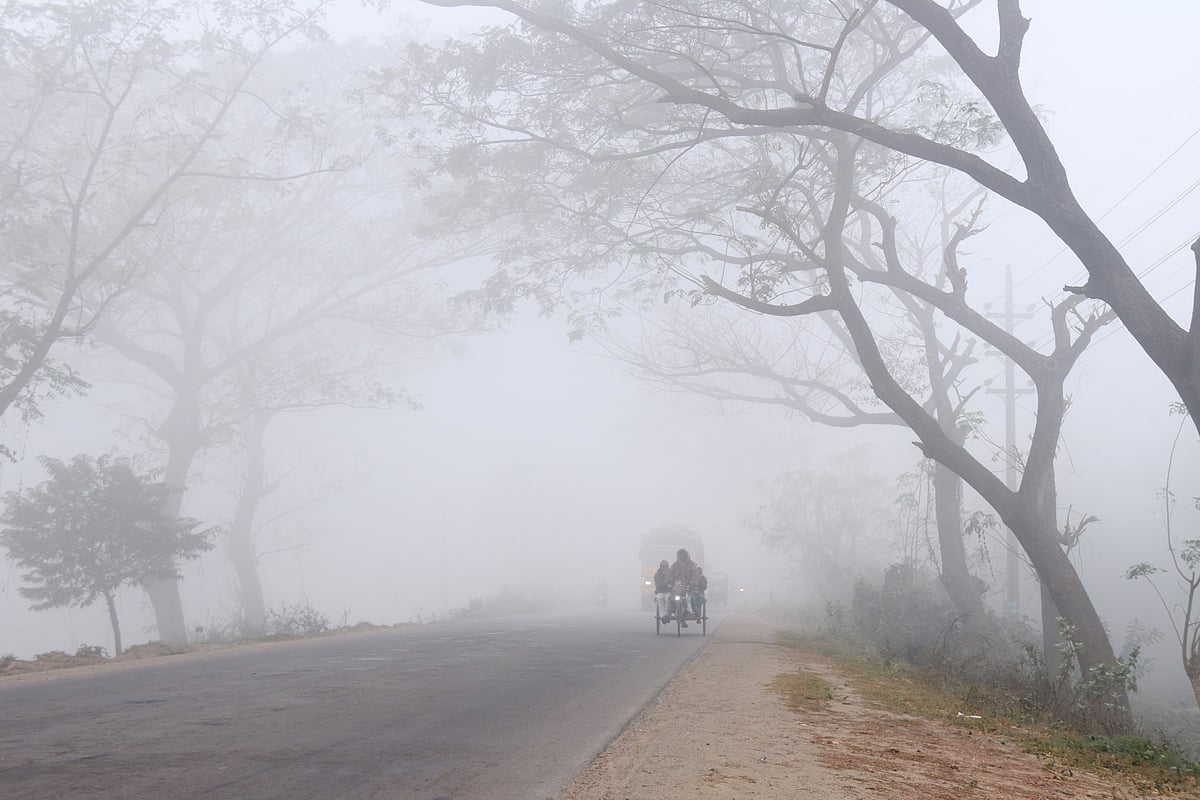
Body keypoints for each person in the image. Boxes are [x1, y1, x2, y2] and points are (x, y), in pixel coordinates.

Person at [669, 548, 699, 626]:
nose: (682, 556)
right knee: (670, 597)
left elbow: (696, 575)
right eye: (680, 555)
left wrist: (692, 583)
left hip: (689, 586)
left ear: (686, 555)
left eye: (683, 554)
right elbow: (670, 574)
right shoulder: (675, 565)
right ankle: (671, 611)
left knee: (689, 598)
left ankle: (690, 611)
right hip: (677, 586)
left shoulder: (692, 565)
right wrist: (670, 581)